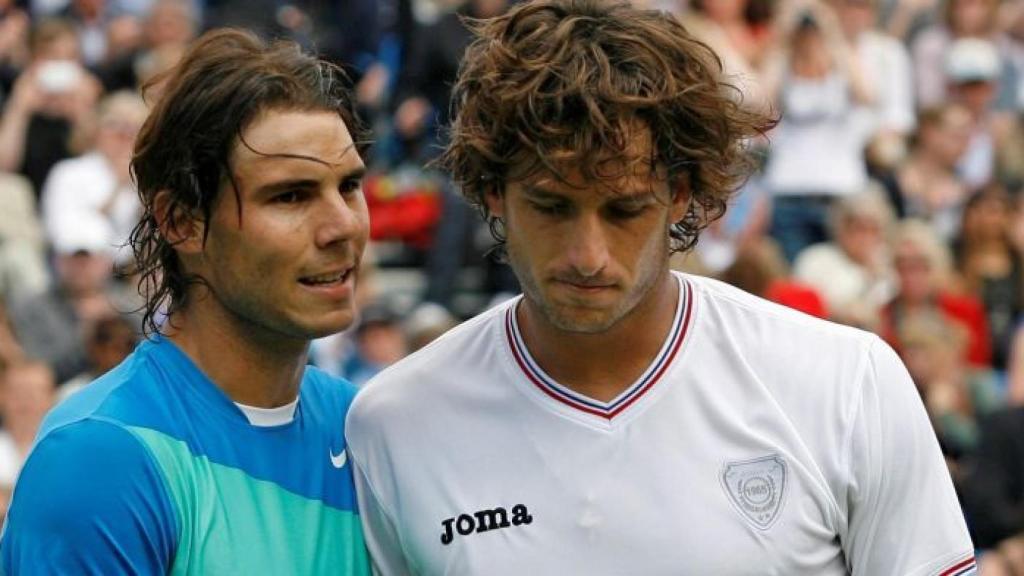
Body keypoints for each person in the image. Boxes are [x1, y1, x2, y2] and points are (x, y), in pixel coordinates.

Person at [346, 1, 976, 574]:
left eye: (622, 210)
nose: (587, 256)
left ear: (679, 195)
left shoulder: (847, 383)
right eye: (551, 207)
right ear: (492, 194)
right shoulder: (396, 423)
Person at [0, 29, 372, 574]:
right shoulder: (101, 458)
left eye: (349, 186)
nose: (343, 226)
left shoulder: (366, 427)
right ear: (181, 221)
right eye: (290, 195)